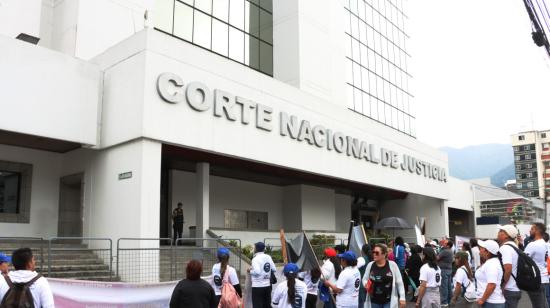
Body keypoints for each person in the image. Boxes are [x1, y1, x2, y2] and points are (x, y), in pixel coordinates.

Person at [362, 243, 406, 308]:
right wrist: (366, 284)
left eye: (377, 253)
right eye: (373, 252)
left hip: (389, 301)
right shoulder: (370, 265)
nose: (374, 254)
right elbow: (364, 278)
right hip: (374, 301)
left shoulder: (392, 265)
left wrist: (402, 298)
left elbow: (399, 282)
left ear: (384, 254)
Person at [524, 222, 550, 308]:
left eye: (532, 229)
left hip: (535, 280)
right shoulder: (546, 244)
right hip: (544, 279)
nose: (530, 231)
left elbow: (523, 261)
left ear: (537, 231)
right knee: (544, 305)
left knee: (538, 306)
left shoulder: (533, 245)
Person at [497, 224, 521, 308]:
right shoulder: (514, 246)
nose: (498, 233)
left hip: (509, 289)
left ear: (506, 235)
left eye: (500, 231)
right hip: (515, 288)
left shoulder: (505, 248)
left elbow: (508, 269)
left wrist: (502, 286)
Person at [476, 240, 505, 308]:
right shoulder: (491, 262)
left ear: (487, 252)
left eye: (481, 248)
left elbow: (492, 285)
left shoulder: (491, 264)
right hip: (490, 302)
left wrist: (482, 300)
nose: (479, 249)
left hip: (491, 303)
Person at [248, 241, 276, 308]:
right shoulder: (268, 257)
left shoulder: (255, 259)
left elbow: (257, 272)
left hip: (257, 286)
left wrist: (250, 271)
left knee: (257, 305)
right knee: (266, 305)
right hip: (267, 285)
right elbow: (274, 269)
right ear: (264, 249)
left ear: (256, 249)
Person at [437, 240, 453, 307]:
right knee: (448, 286)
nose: (443, 244)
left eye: (445, 243)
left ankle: (444, 302)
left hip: (444, 270)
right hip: (449, 269)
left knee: (444, 287)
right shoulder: (450, 251)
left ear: (448, 245)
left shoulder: (445, 251)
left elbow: (437, 258)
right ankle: (448, 300)